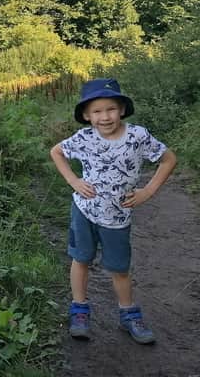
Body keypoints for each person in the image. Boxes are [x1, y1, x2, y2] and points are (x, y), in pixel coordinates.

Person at [49, 78, 177, 344]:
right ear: (87, 115)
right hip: (84, 211)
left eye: (111, 109)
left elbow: (168, 159)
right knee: (81, 259)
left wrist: (147, 191)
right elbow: (57, 152)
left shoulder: (138, 137)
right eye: (97, 111)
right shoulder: (83, 138)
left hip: (117, 217)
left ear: (122, 109)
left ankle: (129, 315)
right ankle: (79, 310)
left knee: (119, 268)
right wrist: (74, 181)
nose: (105, 117)